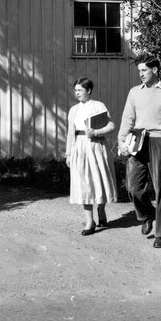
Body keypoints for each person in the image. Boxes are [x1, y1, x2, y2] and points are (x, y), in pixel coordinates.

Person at [118, 55, 161, 249]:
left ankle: (160, 234)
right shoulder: (134, 92)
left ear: (155, 70)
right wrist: (121, 141)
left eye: (144, 70)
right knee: (133, 187)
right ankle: (146, 215)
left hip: (158, 141)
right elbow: (127, 119)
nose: (141, 74)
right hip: (138, 141)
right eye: (139, 71)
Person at [65, 77, 118, 235]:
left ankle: (101, 209)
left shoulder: (98, 106)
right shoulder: (74, 110)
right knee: (84, 183)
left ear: (88, 90)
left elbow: (111, 126)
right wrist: (68, 153)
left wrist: (97, 132)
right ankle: (90, 221)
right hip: (80, 148)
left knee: (99, 180)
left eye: (80, 90)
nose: (77, 93)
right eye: (75, 90)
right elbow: (70, 133)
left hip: (96, 146)